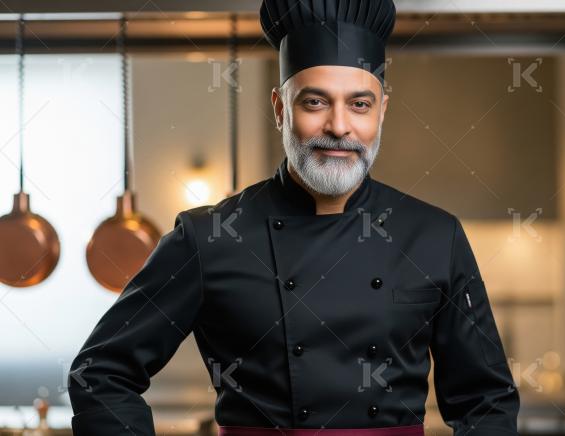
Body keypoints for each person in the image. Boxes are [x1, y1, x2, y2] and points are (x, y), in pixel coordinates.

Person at [68, 1, 520, 435]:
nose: (339, 127)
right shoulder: (208, 238)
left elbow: (488, 400)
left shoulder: (436, 237)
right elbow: (100, 374)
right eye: (315, 103)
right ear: (280, 108)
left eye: (359, 105)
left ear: (382, 110)